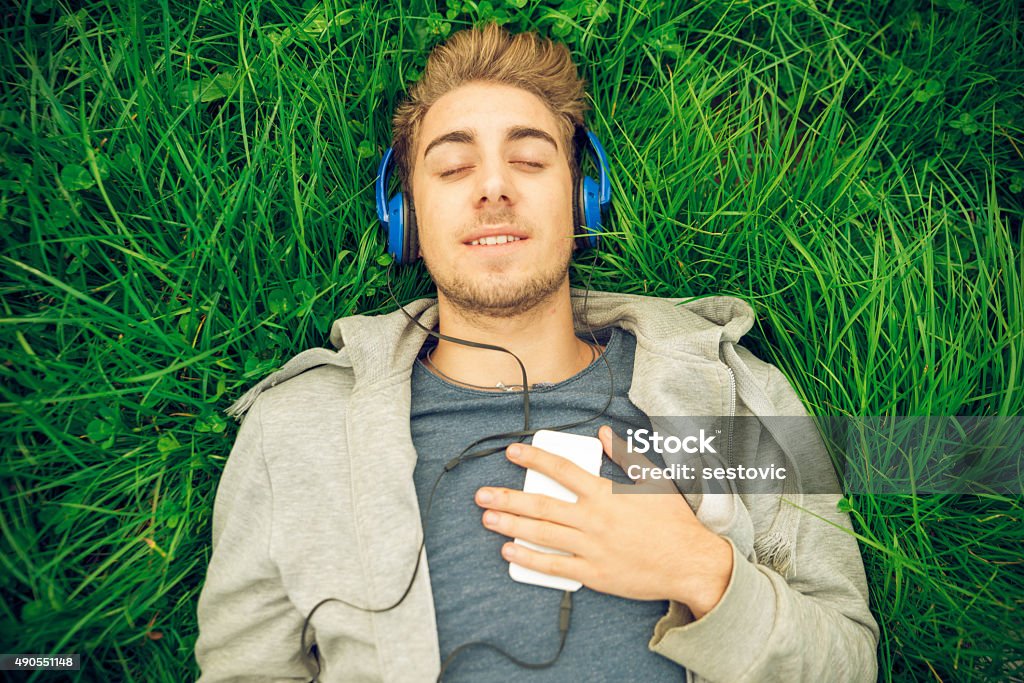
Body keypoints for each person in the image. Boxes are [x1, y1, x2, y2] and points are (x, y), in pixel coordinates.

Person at [194, 22, 879, 682]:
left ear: (583, 202)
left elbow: (849, 661)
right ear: (406, 220)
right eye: (455, 166)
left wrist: (701, 570)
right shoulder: (295, 429)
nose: (494, 188)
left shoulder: (735, 396)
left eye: (528, 159)